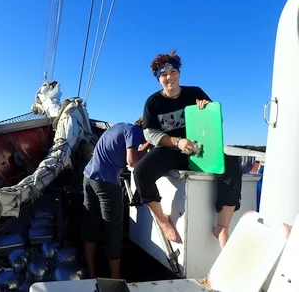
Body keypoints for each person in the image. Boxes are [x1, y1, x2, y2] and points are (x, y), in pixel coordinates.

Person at [133, 50, 243, 249]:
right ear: (159, 79)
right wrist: (177, 142)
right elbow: (149, 132)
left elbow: (215, 120)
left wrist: (207, 109)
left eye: (173, 71)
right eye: (164, 74)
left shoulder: (195, 93)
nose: (169, 77)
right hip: (171, 151)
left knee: (232, 167)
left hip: (198, 149)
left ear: (179, 73)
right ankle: (163, 220)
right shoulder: (153, 102)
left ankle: (222, 226)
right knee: (141, 172)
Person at [81, 121, 145, 279]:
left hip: (88, 178)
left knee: (91, 225)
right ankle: (115, 280)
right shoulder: (135, 132)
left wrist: (145, 146)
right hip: (106, 183)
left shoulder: (121, 126)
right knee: (113, 230)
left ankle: (91, 272)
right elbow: (132, 161)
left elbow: (126, 151)